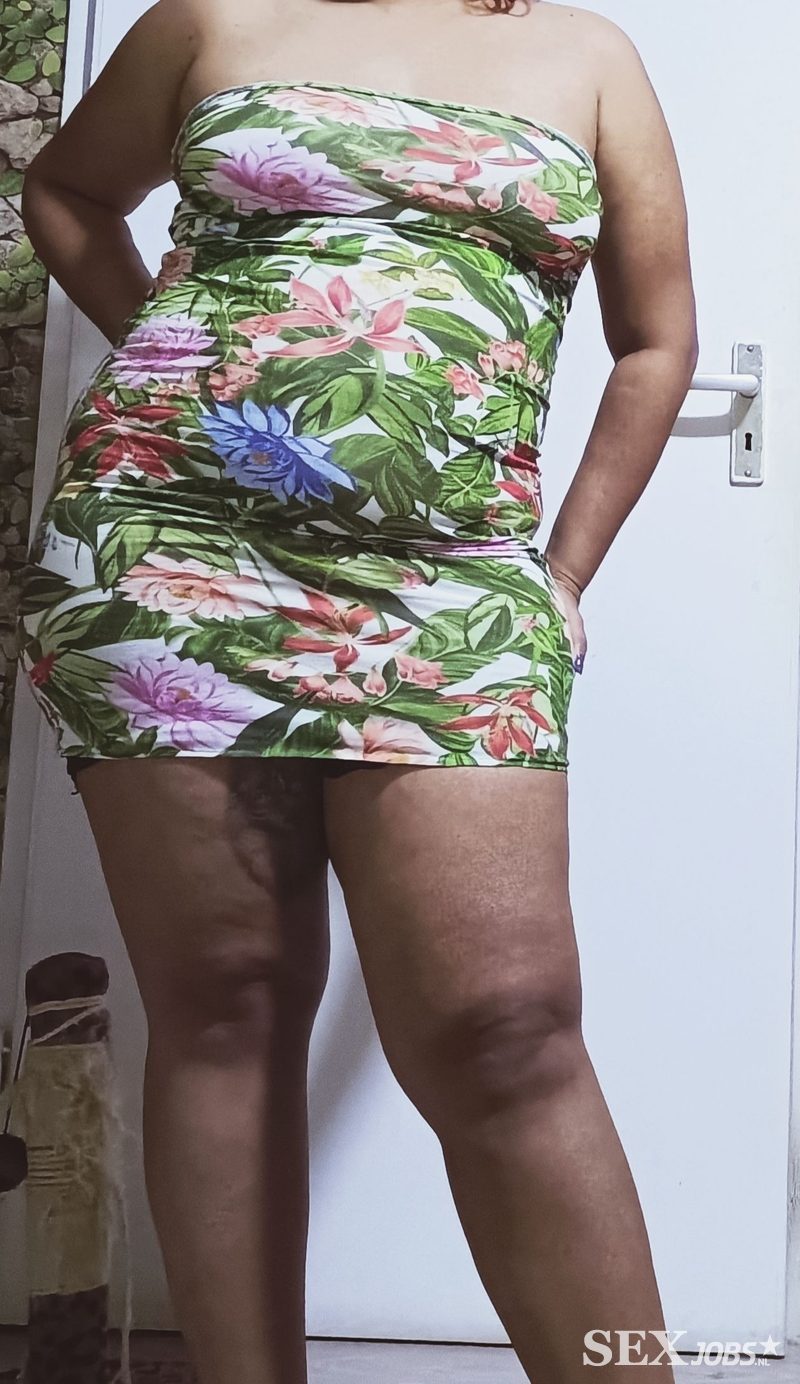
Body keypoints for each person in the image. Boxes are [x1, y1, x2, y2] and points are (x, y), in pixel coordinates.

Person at [17, 0, 698, 1379]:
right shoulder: (211, 18)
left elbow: (657, 340)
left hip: (449, 583)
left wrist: (563, 573)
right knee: (227, 1002)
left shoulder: (589, 57)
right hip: (172, 548)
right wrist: (183, 363)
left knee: (507, 1028)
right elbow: (68, 191)